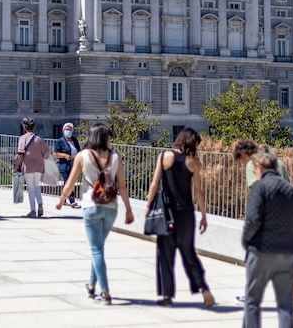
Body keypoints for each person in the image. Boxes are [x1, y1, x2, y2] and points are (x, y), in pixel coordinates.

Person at [56, 123, 135, 305]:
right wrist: (129, 209)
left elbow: (69, 184)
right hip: (111, 207)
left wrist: (61, 201)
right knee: (98, 247)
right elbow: (122, 185)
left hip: (91, 205)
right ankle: (91, 286)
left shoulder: (83, 156)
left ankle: (105, 292)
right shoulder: (115, 156)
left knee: (96, 249)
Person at [238, 140, 293, 317]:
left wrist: (247, 239)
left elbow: (255, 192)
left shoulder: (252, 165)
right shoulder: (279, 164)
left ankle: (249, 296)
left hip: (266, 223)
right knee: (292, 266)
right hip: (286, 219)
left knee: (255, 279)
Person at [145, 127, 215, 308]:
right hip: (186, 213)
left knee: (165, 254)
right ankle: (204, 289)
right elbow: (197, 191)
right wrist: (204, 215)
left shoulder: (165, 157)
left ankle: (167, 297)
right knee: (188, 252)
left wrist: (148, 205)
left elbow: (154, 184)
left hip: (167, 212)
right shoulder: (194, 162)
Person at [16, 117, 51, 217]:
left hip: (28, 166)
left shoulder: (22, 138)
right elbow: (46, 153)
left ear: (24, 127)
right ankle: (40, 204)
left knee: (30, 188)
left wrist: (17, 165)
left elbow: (20, 153)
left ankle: (32, 210)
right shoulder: (39, 138)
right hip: (39, 166)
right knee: (36, 187)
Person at [53, 122, 81, 208]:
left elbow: (78, 151)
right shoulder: (60, 141)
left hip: (74, 165)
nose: (68, 131)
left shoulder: (74, 140)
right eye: (67, 129)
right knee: (69, 182)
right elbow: (55, 154)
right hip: (64, 166)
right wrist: (65, 155)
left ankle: (63, 199)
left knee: (67, 183)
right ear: (63, 130)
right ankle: (72, 201)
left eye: (70, 129)